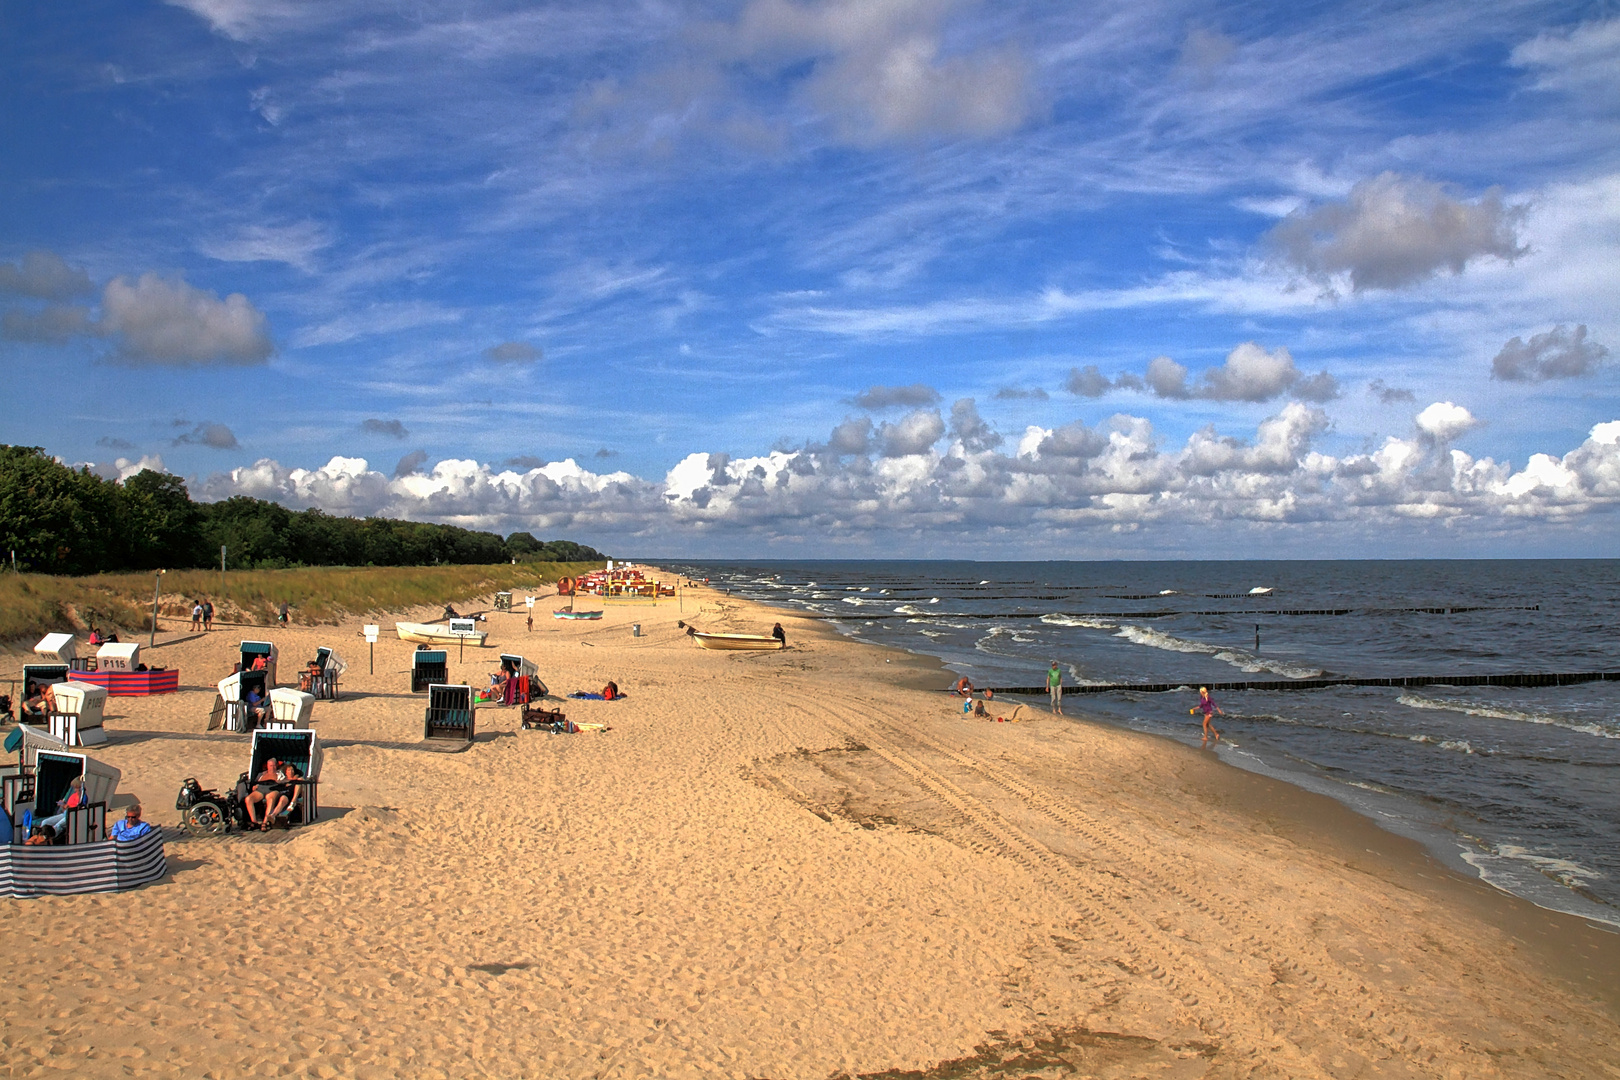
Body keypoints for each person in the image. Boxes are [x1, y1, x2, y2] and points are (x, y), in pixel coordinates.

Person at [244, 759, 282, 830]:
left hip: (272, 789)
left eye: (274, 765)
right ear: (267, 766)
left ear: (277, 766)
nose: (272, 767)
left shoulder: (279, 774)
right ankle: (254, 821)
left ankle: (265, 822)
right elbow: (256, 782)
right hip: (261, 789)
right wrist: (255, 786)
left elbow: (283, 782)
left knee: (270, 799)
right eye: (271, 766)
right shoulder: (262, 774)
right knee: (248, 799)